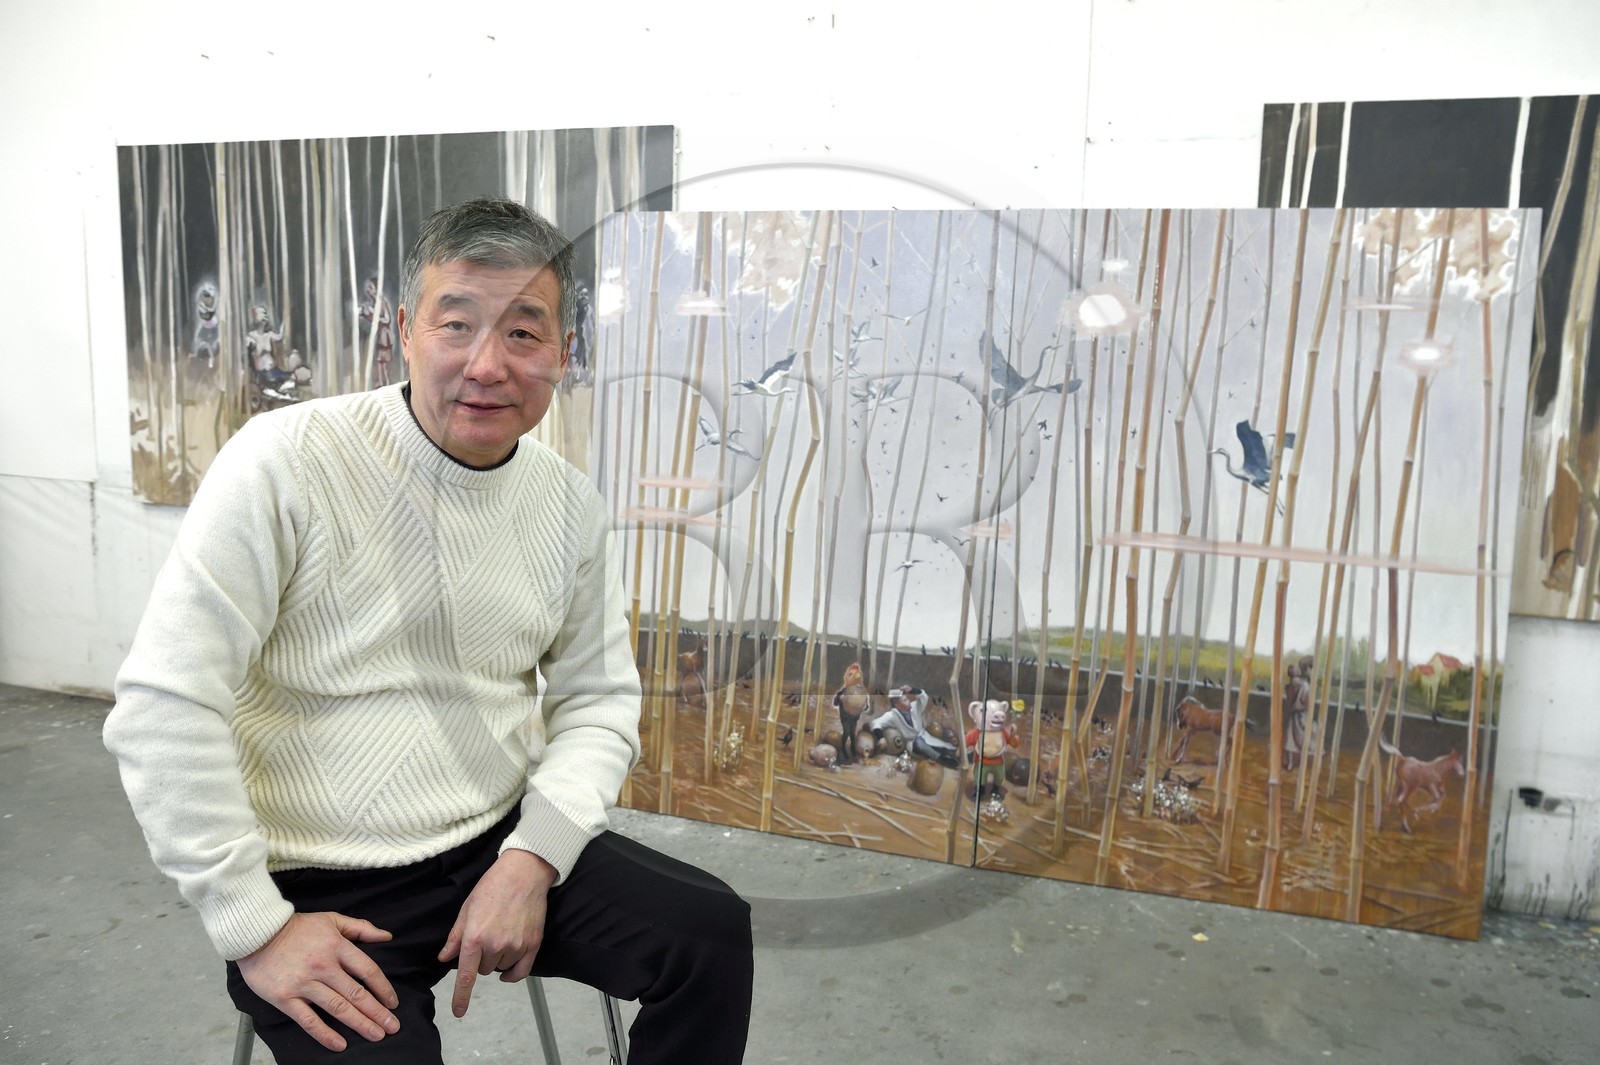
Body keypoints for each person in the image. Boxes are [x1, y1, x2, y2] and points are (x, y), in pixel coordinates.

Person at [104, 197, 753, 1064]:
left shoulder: (567, 504)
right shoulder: (286, 460)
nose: (486, 365)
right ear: (405, 330)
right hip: (313, 886)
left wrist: (533, 860)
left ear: (564, 352)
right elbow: (162, 702)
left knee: (707, 935)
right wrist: (254, 925)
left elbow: (598, 703)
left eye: (523, 333)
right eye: (457, 325)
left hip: (495, 841)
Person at [870, 686, 960, 769]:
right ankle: (942, 760)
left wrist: (912, 690)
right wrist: (881, 737)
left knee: (943, 746)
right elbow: (875, 722)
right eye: (905, 700)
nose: (908, 701)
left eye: (907, 699)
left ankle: (958, 755)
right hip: (913, 743)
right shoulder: (892, 716)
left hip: (924, 736)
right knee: (920, 744)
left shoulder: (915, 707)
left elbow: (924, 697)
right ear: (897, 706)